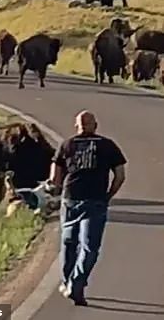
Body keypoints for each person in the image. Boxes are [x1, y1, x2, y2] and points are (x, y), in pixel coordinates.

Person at [49, 110, 127, 306]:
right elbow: (120, 175)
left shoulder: (66, 145)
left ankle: (67, 282)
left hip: (71, 198)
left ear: (77, 126)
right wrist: (109, 195)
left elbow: (54, 179)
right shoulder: (108, 145)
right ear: (95, 125)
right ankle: (76, 283)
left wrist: (55, 192)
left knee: (68, 243)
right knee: (89, 247)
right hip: (96, 200)